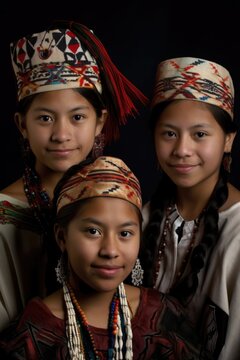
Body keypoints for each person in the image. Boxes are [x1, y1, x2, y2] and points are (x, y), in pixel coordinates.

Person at [0, 20, 147, 331]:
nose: (61, 134)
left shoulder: (123, 204)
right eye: (44, 118)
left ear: (99, 122)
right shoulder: (4, 218)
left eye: (78, 117)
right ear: (22, 125)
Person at [0, 155, 207, 359]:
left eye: (125, 234)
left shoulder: (163, 316)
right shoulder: (33, 331)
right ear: (62, 237)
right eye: (93, 231)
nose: (110, 250)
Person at [140, 56, 240, 359]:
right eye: (169, 133)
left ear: (228, 141)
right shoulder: (140, 217)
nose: (182, 150)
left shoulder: (237, 231)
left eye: (200, 134)